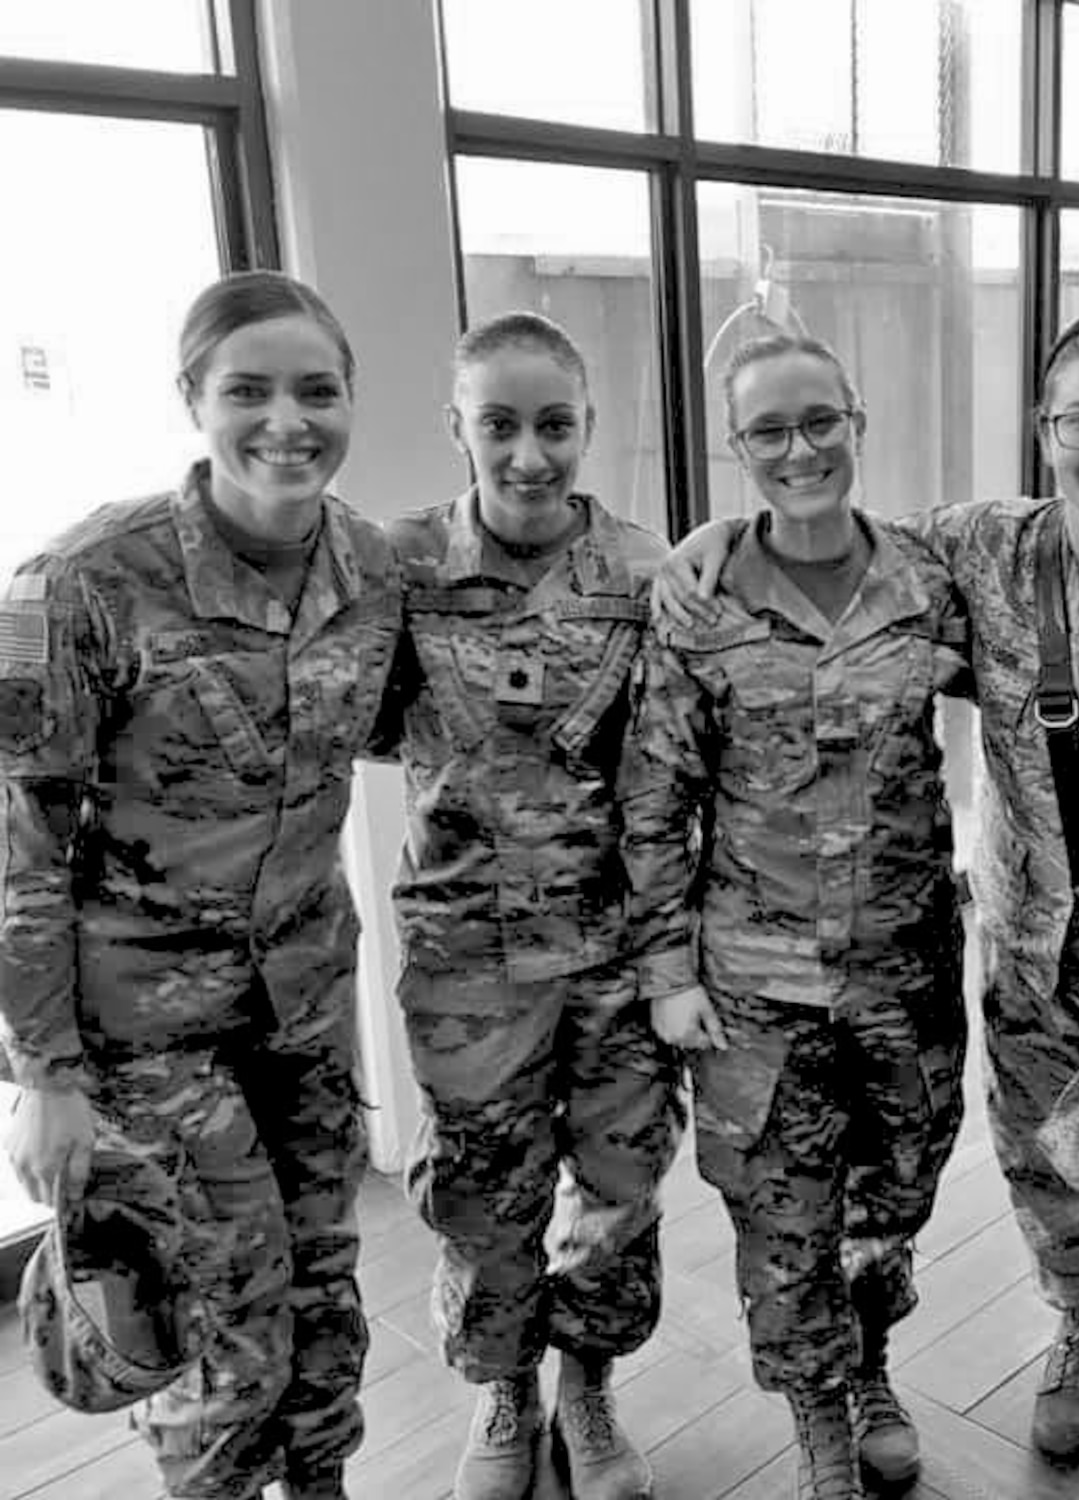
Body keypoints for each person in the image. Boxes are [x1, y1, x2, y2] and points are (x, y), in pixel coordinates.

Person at [658, 312, 1079, 1500]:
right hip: (1035, 963)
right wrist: (718, 539)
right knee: (1059, 1188)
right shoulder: (979, 551)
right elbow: (825, 537)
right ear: (1044, 430)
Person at [0, 270, 403, 1500]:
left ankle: (320, 1485)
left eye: (316, 391)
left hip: (302, 1005)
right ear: (193, 399)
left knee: (324, 1292)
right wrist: (45, 1079)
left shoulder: (371, 572)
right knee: (219, 1328)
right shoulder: (77, 582)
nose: (287, 422)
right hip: (142, 1036)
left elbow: (390, 738)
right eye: (248, 391)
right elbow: (20, 842)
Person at [622, 333, 971, 1500]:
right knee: (782, 1222)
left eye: (819, 420)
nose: (799, 449)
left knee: (894, 1196)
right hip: (756, 990)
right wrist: (666, 972)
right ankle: (821, 1419)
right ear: (736, 450)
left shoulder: (927, 581)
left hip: (902, 978)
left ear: (857, 420)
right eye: (768, 431)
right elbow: (655, 796)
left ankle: (869, 1362)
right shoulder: (702, 597)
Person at [373, 312, 683, 1500]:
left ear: (587, 428)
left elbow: (682, 771)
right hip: (465, 959)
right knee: (482, 1193)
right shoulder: (396, 571)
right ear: (455, 426)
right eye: (497, 424)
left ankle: (589, 1389)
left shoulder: (650, 577)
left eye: (553, 425)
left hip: (611, 952)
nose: (528, 455)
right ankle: (505, 1390)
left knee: (614, 1187)